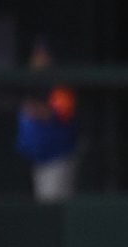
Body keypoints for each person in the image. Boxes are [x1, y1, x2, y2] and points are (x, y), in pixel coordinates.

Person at [15, 39, 78, 202]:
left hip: (57, 157)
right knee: (43, 204)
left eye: (43, 56)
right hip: (38, 158)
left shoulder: (60, 86)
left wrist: (34, 109)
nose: (39, 61)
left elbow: (59, 114)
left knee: (54, 203)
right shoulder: (32, 84)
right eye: (36, 56)